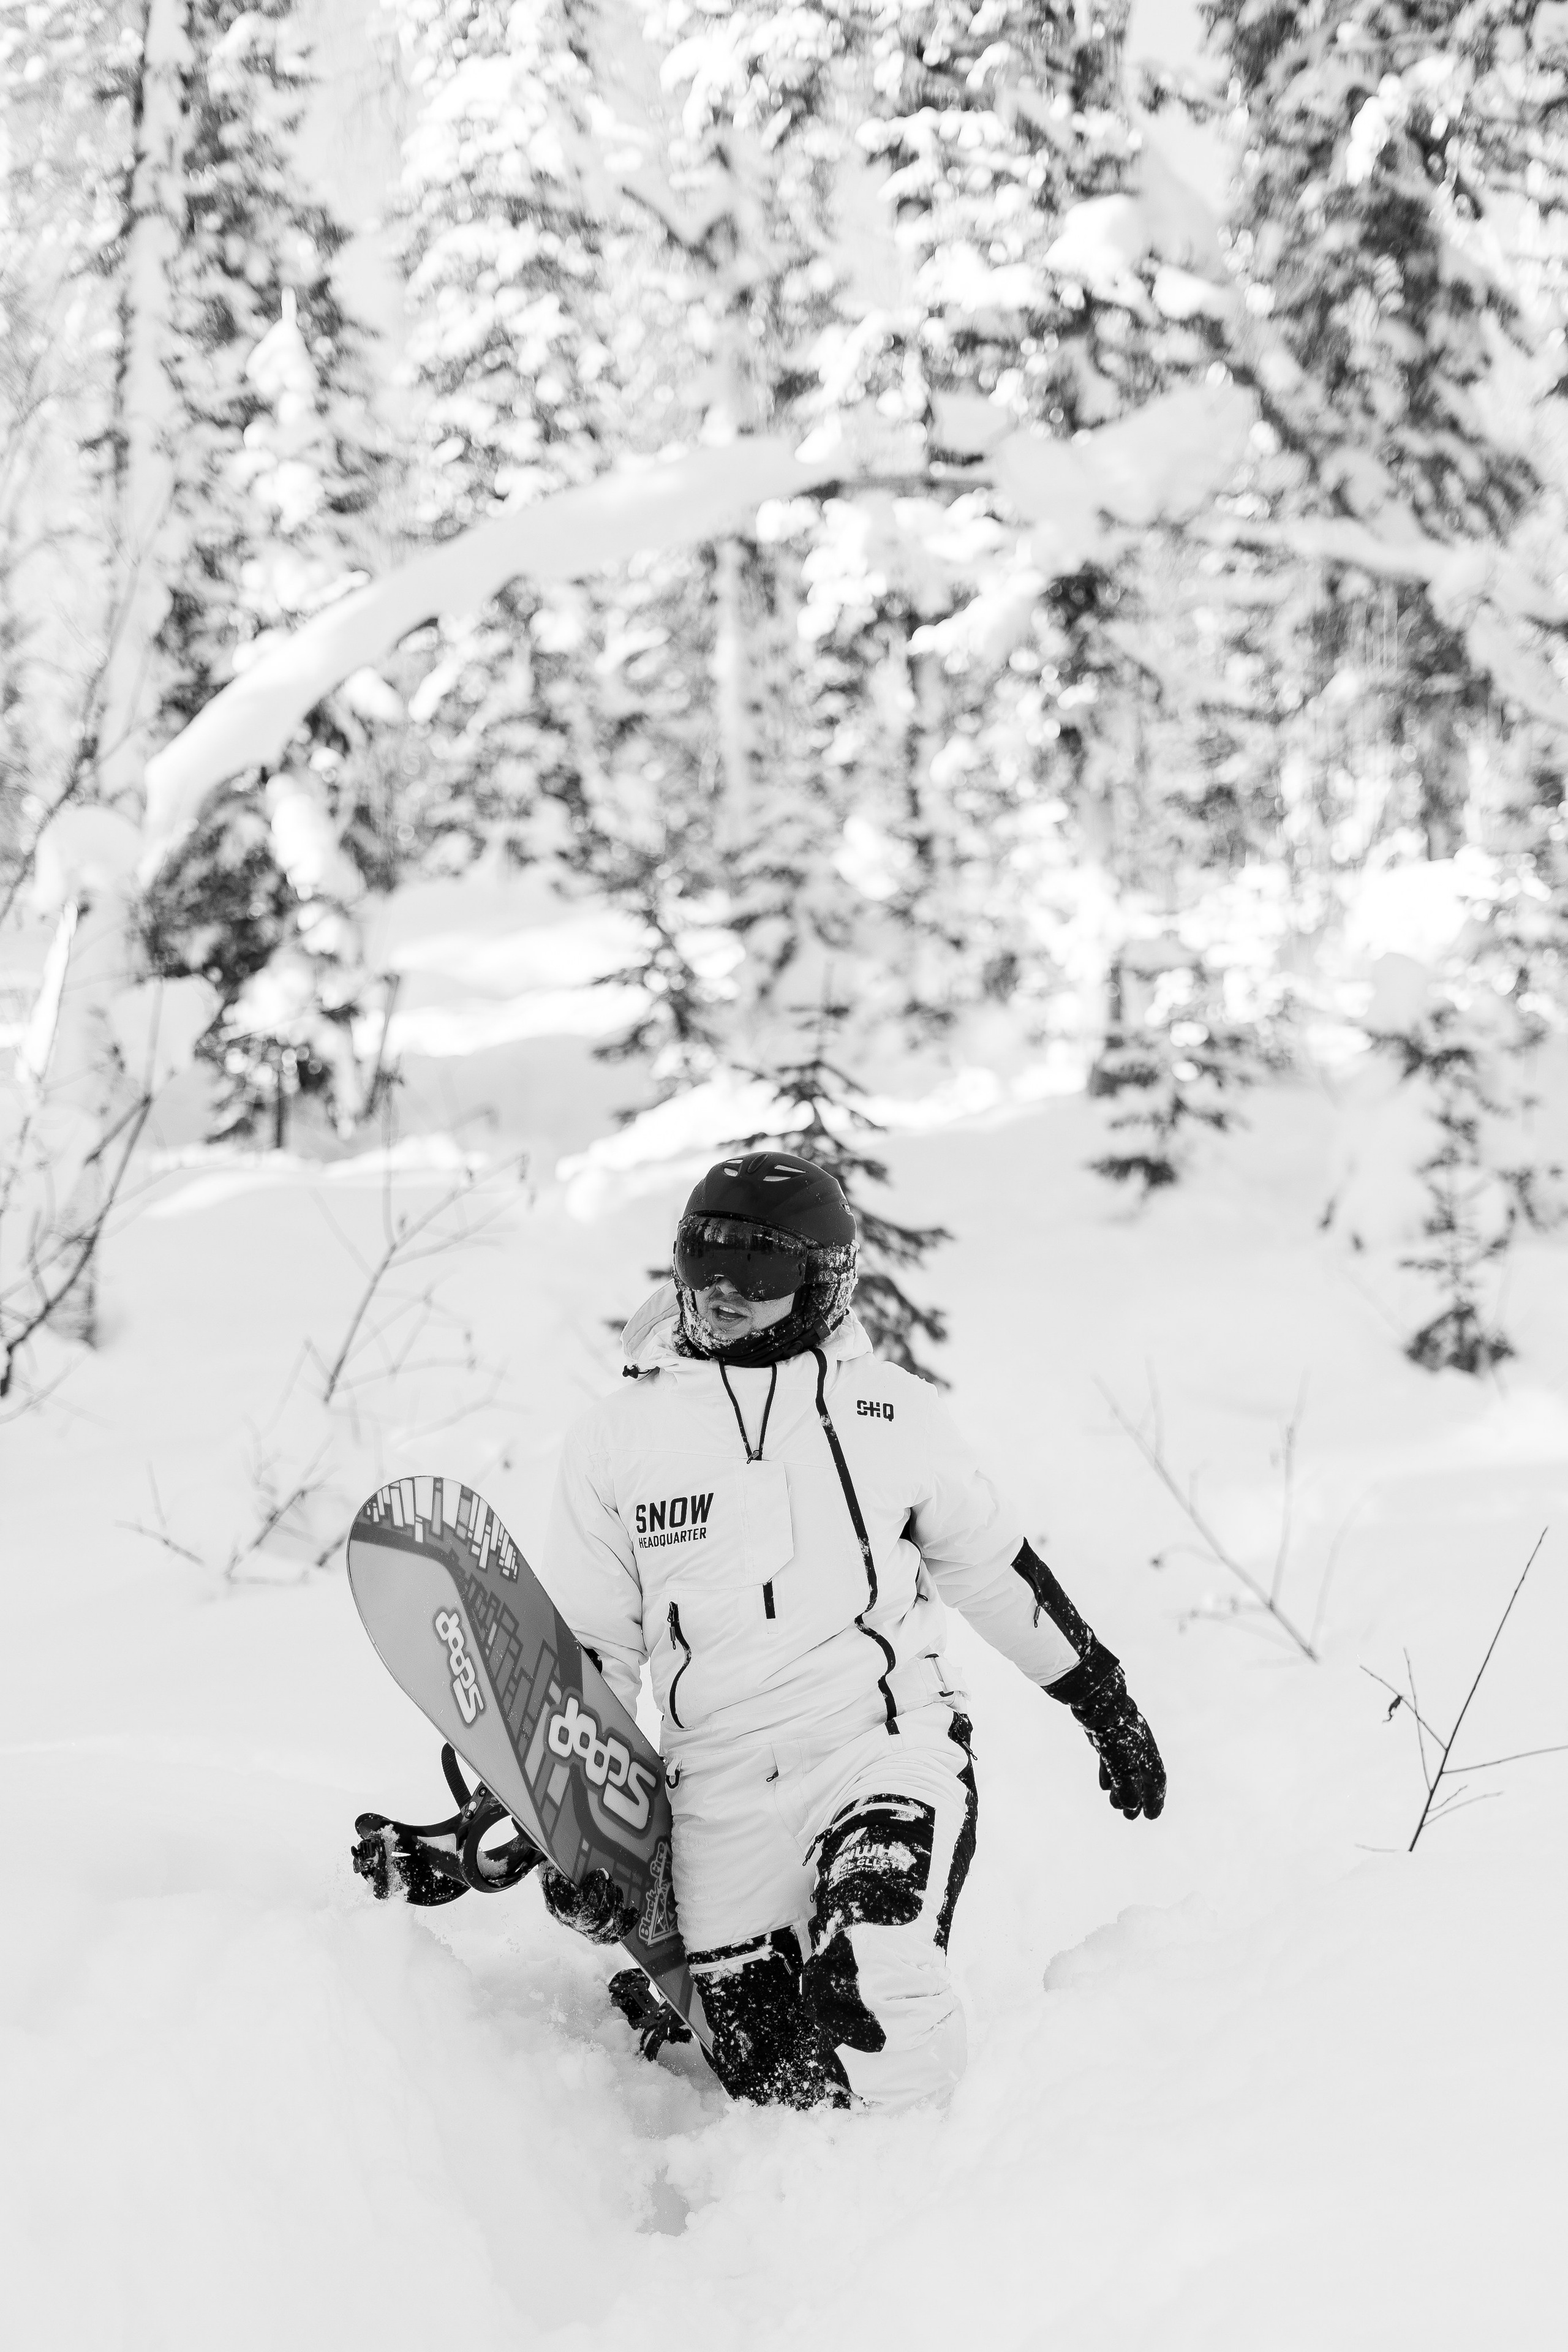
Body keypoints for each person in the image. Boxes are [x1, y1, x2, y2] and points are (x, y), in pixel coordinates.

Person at [537, 1150, 1165, 2111]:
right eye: (701, 1255)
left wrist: (1101, 1699)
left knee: (876, 1980)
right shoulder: (619, 1440)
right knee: (779, 2081)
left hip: (881, 1750)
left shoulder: (892, 1413)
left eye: (758, 1268)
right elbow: (594, 1651)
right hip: (722, 1794)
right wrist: (564, 1824)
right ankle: (687, 2002)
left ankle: (964, 2207)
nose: (721, 1290)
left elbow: (995, 1568)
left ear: (821, 1283)